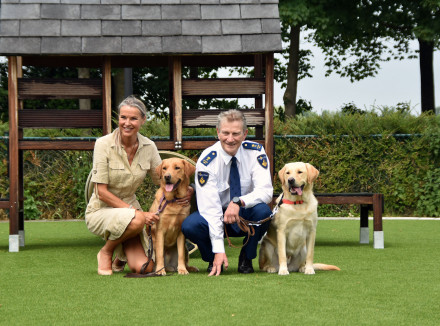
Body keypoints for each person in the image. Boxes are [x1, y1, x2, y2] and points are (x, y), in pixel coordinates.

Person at [85, 95, 192, 276]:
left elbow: (162, 177)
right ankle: (107, 251)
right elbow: (101, 192)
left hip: (132, 216)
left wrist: (187, 189)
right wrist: (137, 212)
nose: (127, 123)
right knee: (138, 219)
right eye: (123, 117)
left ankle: (121, 257)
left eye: (133, 118)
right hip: (102, 210)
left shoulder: (149, 147)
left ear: (143, 120)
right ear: (118, 118)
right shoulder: (103, 144)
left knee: (146, 268)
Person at [182, 109, 273, 276]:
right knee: (190, 225)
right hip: (217, 215)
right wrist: (219, 248)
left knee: (263, 212)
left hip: (243, 213)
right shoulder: (207, 160)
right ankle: (213, 258)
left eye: (236, 134)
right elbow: (210, 209)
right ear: (217, 132)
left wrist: (239, 202)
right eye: (225, 133)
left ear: (245, 134)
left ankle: (247, 256)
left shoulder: (256, 152)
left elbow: (265, 191)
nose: (230, 139)